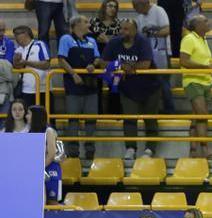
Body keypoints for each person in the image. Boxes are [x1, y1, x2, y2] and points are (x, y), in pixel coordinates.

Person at [97, 19, 160, 160]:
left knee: (150, 119)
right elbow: (102, 63)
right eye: (122, 29)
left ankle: (150, 149)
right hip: (127, 88)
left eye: (126, 29)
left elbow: (145, 64)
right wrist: (121, 65)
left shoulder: (143, 41)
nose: (123, 32)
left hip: (150, 87)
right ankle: (131, 148)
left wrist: (128, 67)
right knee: (129, 119)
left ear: (134, 30)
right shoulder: (114, 43)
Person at [56, 15, 99, 161]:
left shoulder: (92, 41)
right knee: (73, 120)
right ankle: (73, 153)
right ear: (76, 25)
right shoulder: (66, 39)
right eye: (86, 21)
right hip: (73, 86)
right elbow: (61, 59)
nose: (89, 24)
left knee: (91, 120)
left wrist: (94, 64)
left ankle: (90, 153)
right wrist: (74, 74)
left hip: (91, 85)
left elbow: (98, 57)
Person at [179, 14, 212, 159]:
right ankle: (205, 148)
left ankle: (193, 150)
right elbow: (184, 61)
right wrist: (206, 68)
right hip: (193, 81)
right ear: (197, 25)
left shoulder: (203, 39)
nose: (208, 22)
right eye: (205, 21)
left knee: (197, 116)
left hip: (205, 81)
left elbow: (202, 60)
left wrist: (211, 72)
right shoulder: (189, 39)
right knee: (202, 115)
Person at [131, 0, 173, 115]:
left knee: (163, 82)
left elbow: (167, 30)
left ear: (143, 4)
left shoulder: (158, 11)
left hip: (161, 53)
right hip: (147, 55)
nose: (135, 10)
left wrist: (151, 34)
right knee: (151, 83)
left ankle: (169, 110)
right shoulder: (140, 17)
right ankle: (154, 110)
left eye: (135, 7)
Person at [29, 104, 62, 205]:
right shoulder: (30, 131)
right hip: (38, 168)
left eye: (28, 114)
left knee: (52, 201)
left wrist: (40, 168)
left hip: (51, 168)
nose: (26, 116)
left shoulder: (49, 131)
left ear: (36, 116)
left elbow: (51, 154)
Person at [12, 26, 50, 108]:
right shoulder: (18, 50)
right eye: (14, 35)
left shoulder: (39, 45)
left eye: (17, 34)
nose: (15, 37)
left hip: (42, 89)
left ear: (25, 34)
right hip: (25, 89)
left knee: (44, 116)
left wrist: (26, 62)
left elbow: (46, 64)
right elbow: (17, 67)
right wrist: (15, 61)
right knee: (28, 117)